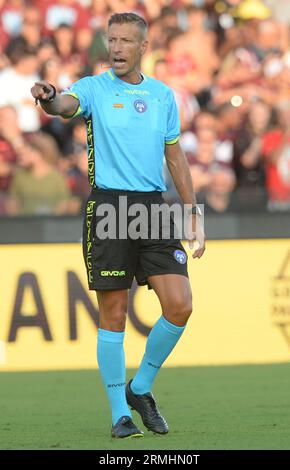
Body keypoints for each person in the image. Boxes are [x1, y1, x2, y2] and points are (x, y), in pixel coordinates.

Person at [31, 12, 205, 439]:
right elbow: (63, 105)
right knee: (114, 314)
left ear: (144, 48)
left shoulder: (163, 96)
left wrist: (192, 211)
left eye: (126, 41)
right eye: (112, 40)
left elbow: (175, 157)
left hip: (154, 209)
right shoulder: (92, 88)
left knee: (180, 305)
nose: (117, 48)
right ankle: (119, 416)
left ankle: (140, 387)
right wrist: (49, 96)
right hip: (109, 208)